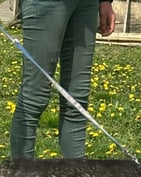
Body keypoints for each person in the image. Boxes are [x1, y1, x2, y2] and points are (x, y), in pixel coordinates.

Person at [10, 0, 116, 159]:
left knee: (77, 98)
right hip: (46, 4)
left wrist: (105, 1)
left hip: (86, 5)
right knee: (34, 96)